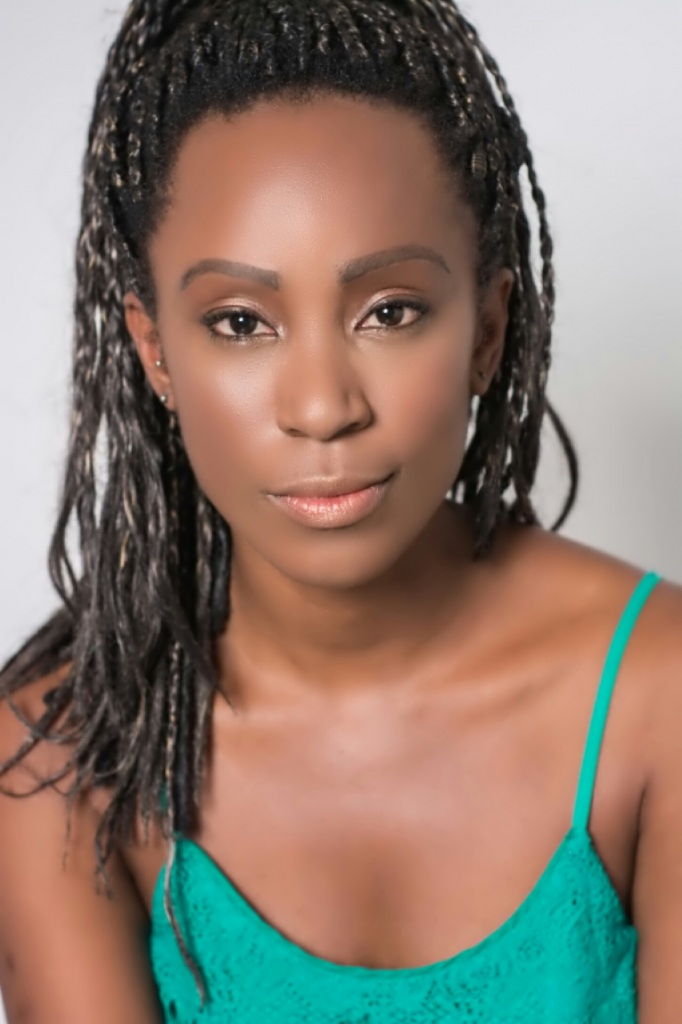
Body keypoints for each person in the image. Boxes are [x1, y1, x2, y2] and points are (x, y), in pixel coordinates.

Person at [0, 0, 680, 1020]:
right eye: (240, 321)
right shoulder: (64, 754)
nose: (323, 407)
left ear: (486, 330)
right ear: (154, 351)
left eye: (389, 311)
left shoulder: (658, 697)